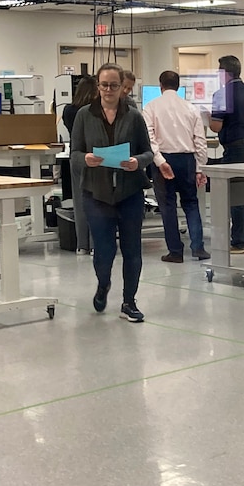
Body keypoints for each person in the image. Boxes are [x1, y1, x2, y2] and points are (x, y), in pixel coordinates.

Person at [70, 63, 153, 323]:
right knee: (104, 250)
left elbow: (148, 152)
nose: (108, 90)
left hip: (129, 192)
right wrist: (86, 158)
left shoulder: (134, 116)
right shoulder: (84, 115)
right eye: (104, 85)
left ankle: (129, 301)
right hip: (97, 192)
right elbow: (73, 155)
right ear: (98, 86)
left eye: (114, 85)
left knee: (132, 250)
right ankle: (103, 283)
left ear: (122, 88)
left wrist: (138, 162)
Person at [143, 70, 210, 263]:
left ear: (160, 85)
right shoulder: (191, 108)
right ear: (178, 86)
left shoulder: (150, 107)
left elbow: (150, 138)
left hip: (164, 160)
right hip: (187, 160)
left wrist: (159, 161)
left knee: (168, 206)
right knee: (191, 203)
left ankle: (175, 251)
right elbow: (200, 140)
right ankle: (198, 247)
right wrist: (200, 168)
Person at [209, 55, 244, 254]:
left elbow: (216, 126)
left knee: (237, 194)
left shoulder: (222, 94)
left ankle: (238, 241)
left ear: (223, 73)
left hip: (236, 147)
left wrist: (206, 116)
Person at [62, 75, 98, 255]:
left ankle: (82, 244)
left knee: (79, 202)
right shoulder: (94, 110)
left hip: (76, 157)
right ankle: (94, 244)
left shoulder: (68, 110)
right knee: (97, 201)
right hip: (96, 157)